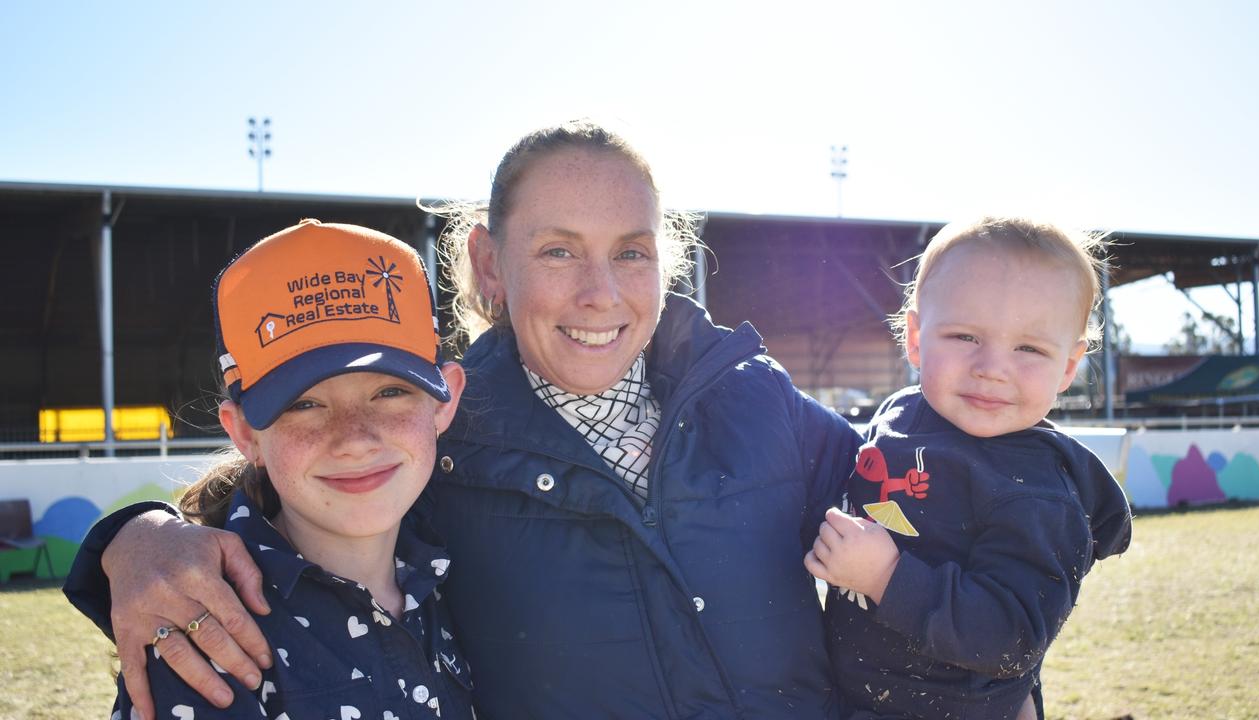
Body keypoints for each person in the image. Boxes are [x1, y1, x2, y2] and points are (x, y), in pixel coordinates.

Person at [65, 121, 861, 719]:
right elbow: (293, 497)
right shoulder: (443, 444)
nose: (600, 293)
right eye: (557, 251)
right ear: (489, 263)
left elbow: (913, 494)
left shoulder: (754, 394)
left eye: (631, 251)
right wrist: (133, 541)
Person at [105, 219, 473, 719]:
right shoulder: (205, 636)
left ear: (443, 402)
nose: (355, 440)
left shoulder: (467, 569)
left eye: (390, 392)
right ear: (244, 434)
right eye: (304, 405)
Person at [804, 216, 1133, 720]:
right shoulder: (899, 414)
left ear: (1068, 366)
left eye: (1029, 348)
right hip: (850, 694)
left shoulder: (1040, 495)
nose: (992, 367)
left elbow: (1013, 638)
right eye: (964, 336)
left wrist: (886, 576)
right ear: (916, 337)